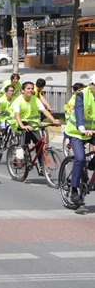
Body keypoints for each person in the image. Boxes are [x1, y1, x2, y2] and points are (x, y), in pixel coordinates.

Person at [64, 75, 95, 205]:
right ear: (91, 85)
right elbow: (79, 110)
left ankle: (91, 165)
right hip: (76, 132)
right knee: (80, 158)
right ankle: (74, 190)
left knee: (87, 162)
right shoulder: (82, 95)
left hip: (91, 132)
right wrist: (82, 128)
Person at [12, 81, 60, 159]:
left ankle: (41, 167)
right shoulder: (18, 101)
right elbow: (17, 115)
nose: (30, 90)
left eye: (32, 88)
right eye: (28, 88)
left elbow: (44, 110)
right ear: (22, 91)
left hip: (34, 126)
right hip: (22, 124)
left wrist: (54, 121)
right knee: (26, 134)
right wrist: (22, 126)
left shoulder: (35, 99)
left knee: (39, 144)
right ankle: (20, 148)